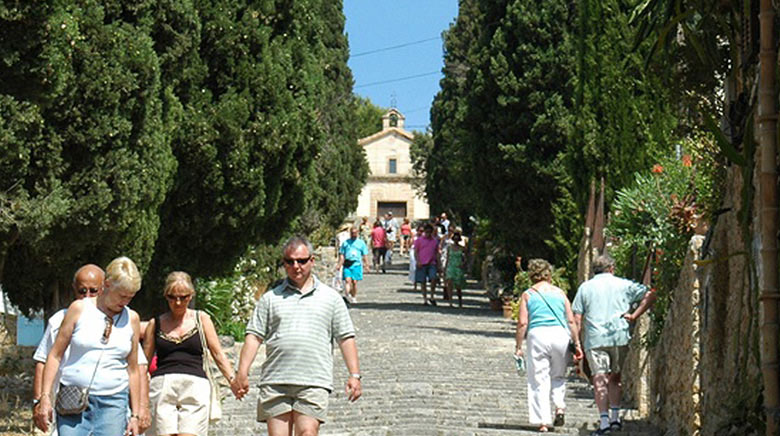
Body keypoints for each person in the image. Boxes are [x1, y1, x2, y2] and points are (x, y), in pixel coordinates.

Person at [231, 236, 362, 436]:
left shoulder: (331, 299)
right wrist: (242, 372)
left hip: (314, 380)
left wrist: (354, 375)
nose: (296, 266)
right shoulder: (270, 299)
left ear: (312, 261)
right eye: (290, 261)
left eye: (301, 261)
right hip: (276, 380)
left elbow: (345, 337)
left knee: (307, 433)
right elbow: (254, 336)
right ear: (284, 263)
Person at [35, 256, 144, 436]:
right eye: (122, 295)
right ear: (107, 285)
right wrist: (44, 397)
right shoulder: (78, 309)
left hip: (113, 402)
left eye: (130, 297)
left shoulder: (132, 319)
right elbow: (54, 355)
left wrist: (136, 415)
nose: (125, 302)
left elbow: (133, 370)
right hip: (73, 400)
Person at [572, 254, 656, 435]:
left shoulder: (585, 288)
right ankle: (616, 418)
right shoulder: (624, 284)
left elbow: (576, 318)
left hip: (595, 339)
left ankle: (603, 422)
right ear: (612, 268)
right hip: (619, 336)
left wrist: (576, 342)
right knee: (615, 378)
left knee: (599, 379)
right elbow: (650, 294)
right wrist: (635, 315)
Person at [143, 271, 235, 436]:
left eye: (183, 297)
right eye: (172, 297)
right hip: (163, 385)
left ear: (191, 296)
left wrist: (232, 380)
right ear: (166, 296)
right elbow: (143, 364)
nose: (178, 302)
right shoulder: (155, 324)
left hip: (194, 385)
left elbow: (218, 353)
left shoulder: (202, 319)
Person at [32, 265, 103, 436]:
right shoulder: (58, 321)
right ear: (74, 289)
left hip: (104, 405)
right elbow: (43, 361)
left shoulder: (116, 320)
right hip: (67, 405)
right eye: (81, 291)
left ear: (103, 289)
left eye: (93, 291)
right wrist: (39, 401)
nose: (86, 297)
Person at [515, 259, 582, 432]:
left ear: (531, 275)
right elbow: (570, 320)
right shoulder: (560, 293)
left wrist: (518, 346)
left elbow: (523, 323)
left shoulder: (527, 294)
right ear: (549, 274)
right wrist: (577, 343)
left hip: (538, 335)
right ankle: (559, 406)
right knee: (558, 375)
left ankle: (543, 421)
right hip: (560, 335)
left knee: (539, 378)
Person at [337, 226, 371, 304]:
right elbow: (342, 254)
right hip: (347, 264)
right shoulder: (345, 243)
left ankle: (353, 296)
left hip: (357, 264)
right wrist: (339, 264)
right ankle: (347, 295)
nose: (354, 235)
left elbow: (364, 255)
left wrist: (366, 265)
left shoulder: (361, 243)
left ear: (357, 233)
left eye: (355, 233)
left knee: (354, 282)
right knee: (347, 280)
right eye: (352, 233)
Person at [414, 223, 439, 306]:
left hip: (432, 263)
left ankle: (432, 296)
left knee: (433, 278)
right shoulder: (419, 240)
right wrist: (418, 261)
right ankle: (425, 298)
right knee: (423, 281)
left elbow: (437, 252)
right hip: (422, 262)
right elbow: (416, 252)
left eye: (429, 232)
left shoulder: (434, 241)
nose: (428, 233)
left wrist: (439, 264)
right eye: (426, 231)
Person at [443, 231, 466, 308]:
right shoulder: (449, 247)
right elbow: (447, 258)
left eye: (457, 239)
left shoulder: (462, 248)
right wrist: (445, 268)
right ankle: (450, 301)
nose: (456, 240)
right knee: (449, 283)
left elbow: (465, 259)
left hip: (458, 267)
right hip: (451, 266)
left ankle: (460, 301)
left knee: (458, 285)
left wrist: (463, 265)